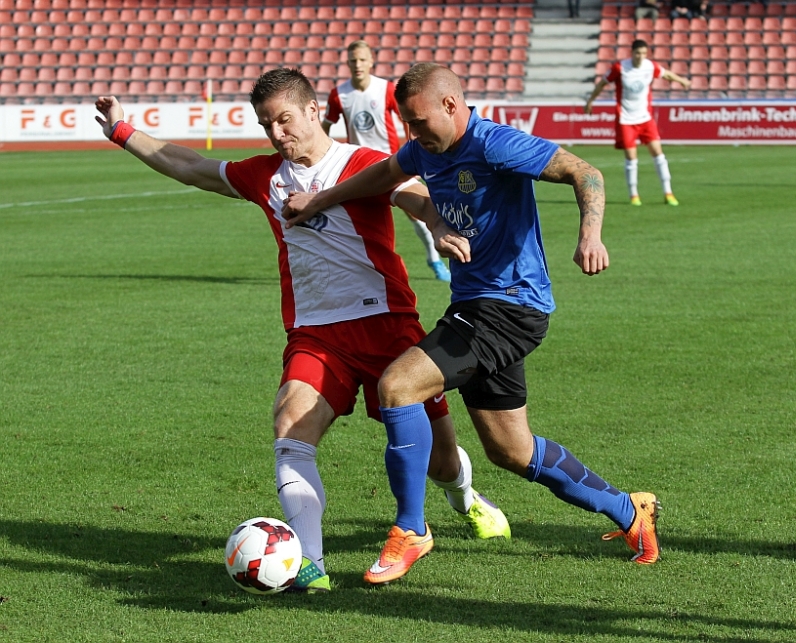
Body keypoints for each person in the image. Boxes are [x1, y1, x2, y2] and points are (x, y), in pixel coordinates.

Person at [93, 68, 510, 591]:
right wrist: (122, 131)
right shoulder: (264, 175)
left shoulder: (361, 163)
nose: (276, 133)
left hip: (387, 327)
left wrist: (440, 225)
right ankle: (309, 563)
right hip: (316, 332)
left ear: (313, 111)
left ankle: (464, 498)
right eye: (266, 125)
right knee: (290, 423)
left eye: (284, 120)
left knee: (441, 461)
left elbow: (416, 197)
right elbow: (190, 166)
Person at [282, 62, 662, 584]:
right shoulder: (424, 148)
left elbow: (586, 172)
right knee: (511, 451)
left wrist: (589, 236)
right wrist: (320, 200)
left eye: (419, 122)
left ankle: (411, 529)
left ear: (451, 105)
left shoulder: (495, 144)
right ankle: (630, 511)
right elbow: (386, 174)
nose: (413, 133)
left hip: (508, 307)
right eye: (406, 123)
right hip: (481, 307)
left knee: (397, 386)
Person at [323, 40, 452, 284]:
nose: (358, 64)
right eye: (353, 60)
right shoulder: (339, 94)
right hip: (359, 166)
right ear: (347, 63)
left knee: (417, 213)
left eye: (362, 59)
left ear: (371, 62)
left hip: (393, 164)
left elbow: (408, 118)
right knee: (359, 221)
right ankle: (365, 269)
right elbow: (325, 127)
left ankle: (434, 260)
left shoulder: (386, 89)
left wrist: (412, 150)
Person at [584, 40, 690, 207]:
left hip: (645, 118)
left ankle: (668, 193)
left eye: (644, 53)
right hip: (626, 119)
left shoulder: (650, 66)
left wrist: (682, 81)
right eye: (638, 53)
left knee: (658, 153)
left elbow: (667, 74)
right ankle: (634, 195)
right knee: (631, 158)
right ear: (632, 53)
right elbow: (603, 83)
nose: (640, 57)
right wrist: (591, 101)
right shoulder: (620, 68)